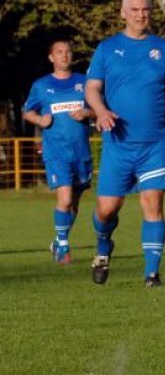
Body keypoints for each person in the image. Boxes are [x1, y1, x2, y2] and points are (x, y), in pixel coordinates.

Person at [85, 0, 165, 288]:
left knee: (153, 204)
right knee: (107, 209)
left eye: (145, 9)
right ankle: (103, 243)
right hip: (118, 144)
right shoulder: (107, 49)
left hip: (154, 145)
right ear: (123, 13)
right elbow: (92, 88)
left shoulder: (163, 50)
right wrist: (100, 110)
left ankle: (151, 274)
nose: (141, 14)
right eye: (134, 9)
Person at [22, 39, 94, 264]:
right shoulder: (41, 85)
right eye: (59, 52)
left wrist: (87, 113)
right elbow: (27, 112)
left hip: (81, 152)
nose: (64, 55)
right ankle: (63, 247)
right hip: (56, 152)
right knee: (63, 200)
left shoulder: (85, 82)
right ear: (51, 57)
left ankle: (57, 240)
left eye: (68, 51)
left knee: (73, 205)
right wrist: (39, 120)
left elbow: (100, 109)